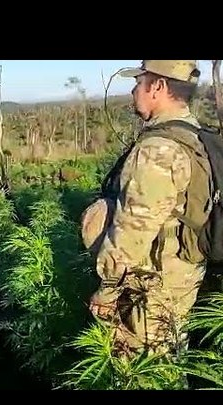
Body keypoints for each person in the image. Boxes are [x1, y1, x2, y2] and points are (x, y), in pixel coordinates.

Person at [81, 60, 211, 357]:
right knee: (170, 352)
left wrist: (108, 290)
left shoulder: (159, 149)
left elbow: (133, 231)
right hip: (183, 273)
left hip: (152, 283)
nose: (133, 90)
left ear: (159, 87)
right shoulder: (194, 134)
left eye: (139, 83)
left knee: (143, 364)